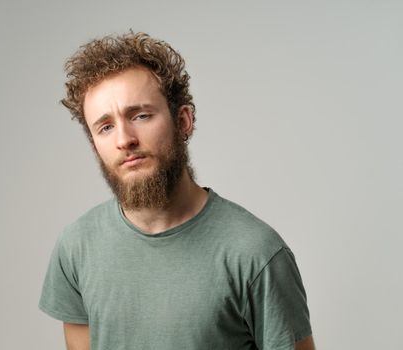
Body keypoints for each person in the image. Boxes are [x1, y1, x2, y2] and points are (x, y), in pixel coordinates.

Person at [39, 31, 315, 350]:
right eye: (105, 127)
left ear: (183, 121)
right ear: (94, 145)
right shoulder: (76, 246)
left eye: (140, 115)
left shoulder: (256, 253)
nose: (124, 139)